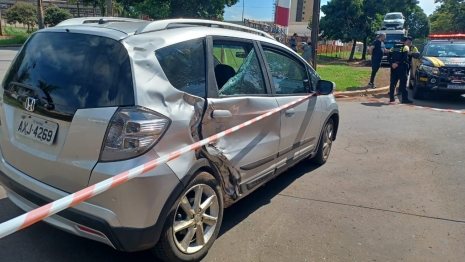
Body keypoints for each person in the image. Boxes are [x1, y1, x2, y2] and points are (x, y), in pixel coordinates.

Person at [387, 36, 413, 103]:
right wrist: (398, 64)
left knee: (392, 82)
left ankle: (391, 98)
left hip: (393, 68)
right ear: (406, 41)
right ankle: (404, 99)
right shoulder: (405, 47)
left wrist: (392, 63)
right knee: (403, 83)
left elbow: (388, 57)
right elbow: (405, 58)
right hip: (402, 67)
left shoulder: (393, 47)